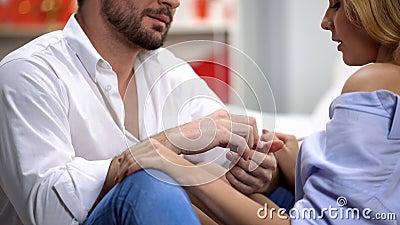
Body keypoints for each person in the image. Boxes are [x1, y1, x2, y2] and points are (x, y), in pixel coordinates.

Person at [116, 0, 400, 224]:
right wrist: (298, 163)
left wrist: (177, 166)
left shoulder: (371, 82)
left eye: (337, 4)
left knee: (157, 185)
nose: (325, 22)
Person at [0, 0, 281, 224]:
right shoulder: (30, 72)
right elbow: (47, 214)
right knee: (149, 185)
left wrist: (255, 169)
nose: (173, 2)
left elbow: (224, 153)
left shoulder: (170, 71)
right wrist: (168, 144)